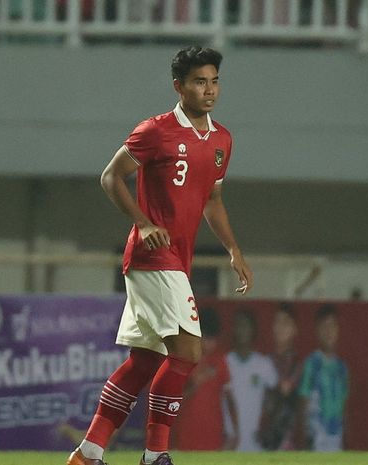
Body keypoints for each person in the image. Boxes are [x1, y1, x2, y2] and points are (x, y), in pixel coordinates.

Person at [67, 45, 253, 465]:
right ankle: (155, 456)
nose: (209, 90)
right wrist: (143, 221)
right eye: (199, 82)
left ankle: (89, 453)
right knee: (187, 352)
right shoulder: (156, 130)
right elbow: (110, 177)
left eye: (214, 81)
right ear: (179, 86)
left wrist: (234, 249)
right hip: (153, 257)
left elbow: (213, 200)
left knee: (146, 359)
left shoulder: (222, 139)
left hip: (177, 262)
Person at [172, 307, 239, 451]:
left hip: (214, 437)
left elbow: (229, 399)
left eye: (214, 339)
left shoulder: (220, 361)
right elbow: (172, 402)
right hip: (186, 438)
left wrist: (234, 432)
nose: (210, 344)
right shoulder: (184, 360)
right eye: (207, 338)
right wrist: (195, 384)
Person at [225, 308, 277, 452]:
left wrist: (267, 426)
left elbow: (275, 397)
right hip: (230, 445)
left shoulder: (264, 364)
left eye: (246, 325)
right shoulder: (225, 363)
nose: (242, 330)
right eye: (238, 325)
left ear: (253, 330)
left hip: (256, 445)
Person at [298, 304, 348, 452]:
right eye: (324, 327)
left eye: (332, 326)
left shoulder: (342, 367)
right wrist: (304, 444)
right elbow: (302, 405)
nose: (328, 331)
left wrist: (346, 443)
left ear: (338, 330)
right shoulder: (312, 364)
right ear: (317, 331)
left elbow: (344, 409)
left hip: (336, 443)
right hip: (316, 444)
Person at [258, 303, 301, 450]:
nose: (281, 327)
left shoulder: (298, 366)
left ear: (294, 329)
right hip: (264, 444)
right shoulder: (263, 362)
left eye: (286, 322)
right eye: (278, 322)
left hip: (290, 444)